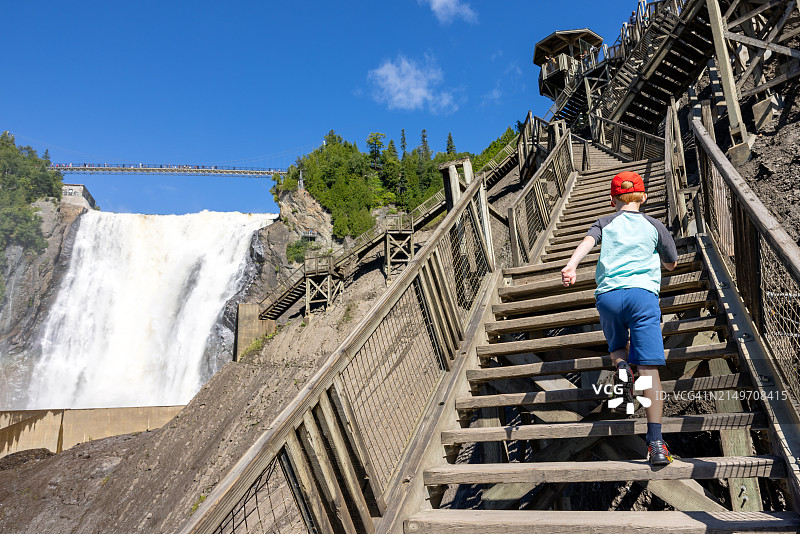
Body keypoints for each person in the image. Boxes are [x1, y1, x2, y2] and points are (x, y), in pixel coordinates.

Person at [561, 171, 678, 466]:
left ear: (613, 199)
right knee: (649, 368)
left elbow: (588, 242)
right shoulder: (654, 225)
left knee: (617, 347)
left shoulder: (605, 222)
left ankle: (623, 367)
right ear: (644, 198)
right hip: (642, 295)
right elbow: (672, 263)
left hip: (609, 296)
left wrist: (571, 266)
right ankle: (655, 444)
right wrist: (663, 259)